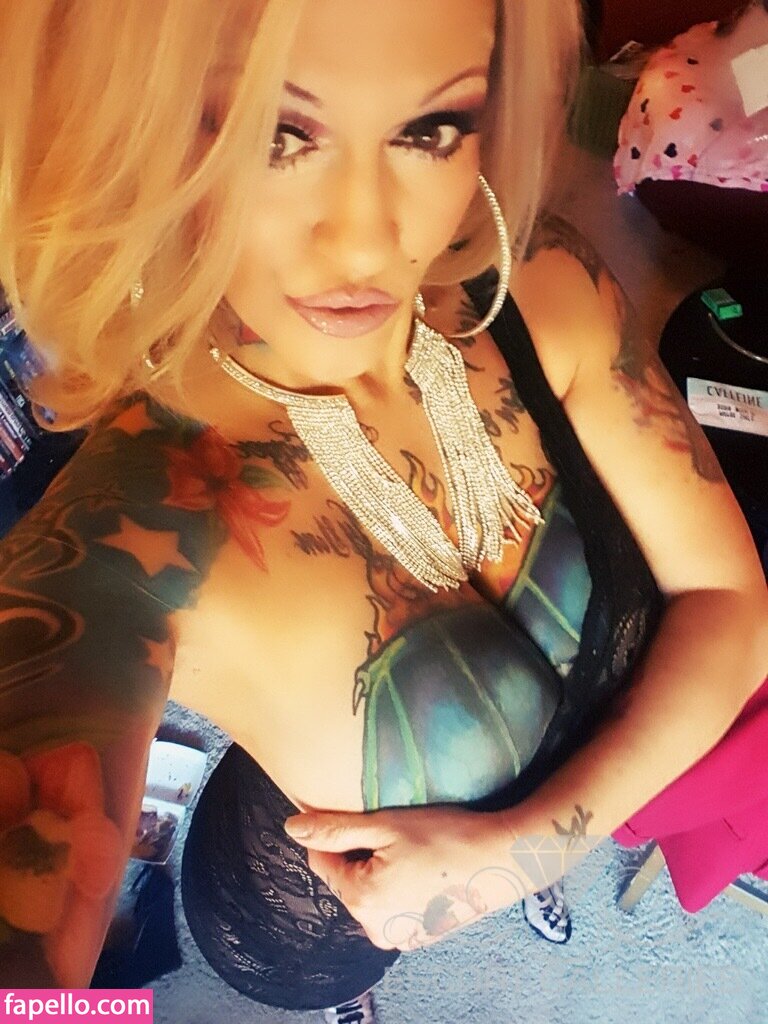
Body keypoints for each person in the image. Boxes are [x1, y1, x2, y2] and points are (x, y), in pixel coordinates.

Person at [0, 0, 765, 1017]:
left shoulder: (543, 287)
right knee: (307, 971)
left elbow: (733, 605)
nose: (367, 238)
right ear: (120, 139)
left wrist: (524, 853)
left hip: (488, 849)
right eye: (274, 136)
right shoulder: (117, 544)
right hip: (312, 909)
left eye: (431, 127)